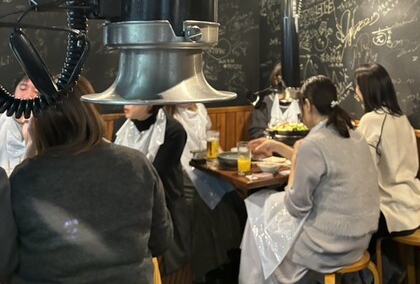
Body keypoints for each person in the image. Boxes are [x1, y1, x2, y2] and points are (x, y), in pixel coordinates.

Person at [3, 76, 173, 284]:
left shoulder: (25, 179)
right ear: (92, 113)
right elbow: (160, 241)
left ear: (38, 123)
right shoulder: (137, 164)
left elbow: (7, 258)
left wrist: (30, 154)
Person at [239, 75, 379, 284]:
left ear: (307, 104)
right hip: (360, 240)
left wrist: (295, 164)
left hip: (329, 248)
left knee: (258, 208)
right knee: (267, 207)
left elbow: (297, 207)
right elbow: (320, 163)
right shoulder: (353, 134)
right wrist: (277, 147)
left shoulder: (313, 143)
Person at [165, 103, 246, 283]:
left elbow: (211, 143)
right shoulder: (168, 114)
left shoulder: (200, 109)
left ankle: (231, 257)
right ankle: (207, 267)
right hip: (182, 171)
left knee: (232, 196)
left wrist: (224, 159)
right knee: (199, 205)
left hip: (206, 168)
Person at [355, 63, 420, 253]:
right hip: (414, 210)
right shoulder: (402, 119)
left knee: (342, 222)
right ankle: (382, 267)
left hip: (390, 213)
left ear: (366, 90)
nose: (355, 91)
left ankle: (371, 269)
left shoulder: (371, 120)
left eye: (357, 86)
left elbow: (364, 169)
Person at [115, 104, 191, 278]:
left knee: (166, 268)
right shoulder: (121, 125)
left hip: (163, 206)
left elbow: (155, 177)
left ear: (149, 102)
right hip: (125, 204)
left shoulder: (174, 131)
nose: (125, 104)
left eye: (132, 100)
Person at [248, 63, 302, 139]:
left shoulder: (302, 103)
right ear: (276, 79)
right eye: (284, 76)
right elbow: (256, 131)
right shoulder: (264, 103)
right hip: (269, 145)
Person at [0, 74, 39, 176]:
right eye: (23, 88)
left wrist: (32, 142)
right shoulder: (1, 121)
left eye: (36, 92)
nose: (28, 96)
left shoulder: (46, 128)